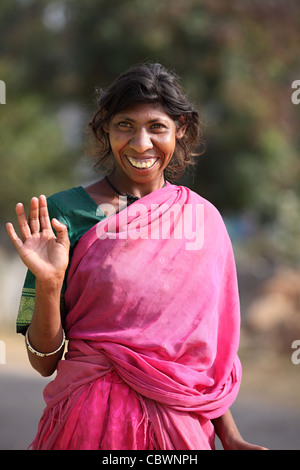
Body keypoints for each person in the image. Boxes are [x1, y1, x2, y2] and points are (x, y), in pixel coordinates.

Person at [6, 63, 267, 450]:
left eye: (157, 127)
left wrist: (230, 435)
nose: (141, 143)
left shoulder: (203, 220)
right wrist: (49, 283)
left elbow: (204, 353)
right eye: (125, 125)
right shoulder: (64, 215)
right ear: (106, 131)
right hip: (88, 424)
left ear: (180, 131)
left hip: (180, 430)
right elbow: (43, 362)